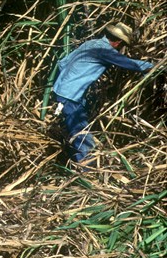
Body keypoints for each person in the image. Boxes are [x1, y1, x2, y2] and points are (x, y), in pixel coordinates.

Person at [52, 22, 153, 165]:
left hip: (63, 91)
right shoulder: (104, 50)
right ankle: (87, 171)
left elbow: (62, 63)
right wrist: (156, 66)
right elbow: (131, 64)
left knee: (77, 130)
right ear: (118, 42)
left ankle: (77, 163)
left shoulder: (91, 43)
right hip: (71, 95)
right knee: (82, 135)